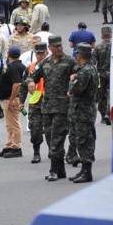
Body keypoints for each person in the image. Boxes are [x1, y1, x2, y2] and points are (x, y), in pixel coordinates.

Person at [32, 35, 76, 181]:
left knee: (57, 138)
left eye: (60, 46)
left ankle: (53, 170)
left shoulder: (69, 61)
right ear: (50, 48)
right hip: (47, 107)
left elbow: (79, 75)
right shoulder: (45, 63)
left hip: (62, 107)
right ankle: (61, 170)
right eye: (55, 46)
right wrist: (31, 83)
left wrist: (73, 80)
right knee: (50, 138)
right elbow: (32, 76)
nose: (59, 48)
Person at [67, 43, 98, 183]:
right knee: (81, 139)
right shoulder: (87, 68)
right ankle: (84, 170)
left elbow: (77, 90)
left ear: (80, 55)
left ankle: (87, 172)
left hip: (83, 111)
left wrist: (72, 82)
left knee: (84, 140)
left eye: (77, 53)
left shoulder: (85, 71)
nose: (76, 56)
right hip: (82, 110)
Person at [0, 47, 25, 158]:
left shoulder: (12, 67)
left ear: (9, 55)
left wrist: (12, 99)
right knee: (9, 124)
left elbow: (17, 84)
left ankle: (16, 147)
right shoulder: (21, 66)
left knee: (14, 124)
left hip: (10, 99)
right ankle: (10, 145)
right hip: (10, 98)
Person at [94, 25, 112, 124]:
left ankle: (103, 115)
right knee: (112, 94)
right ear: (111, 34)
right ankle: (109, 113)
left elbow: (93, 61)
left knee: (102, 95)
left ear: (101, 36)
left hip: (101, 74)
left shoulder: (98, 47)